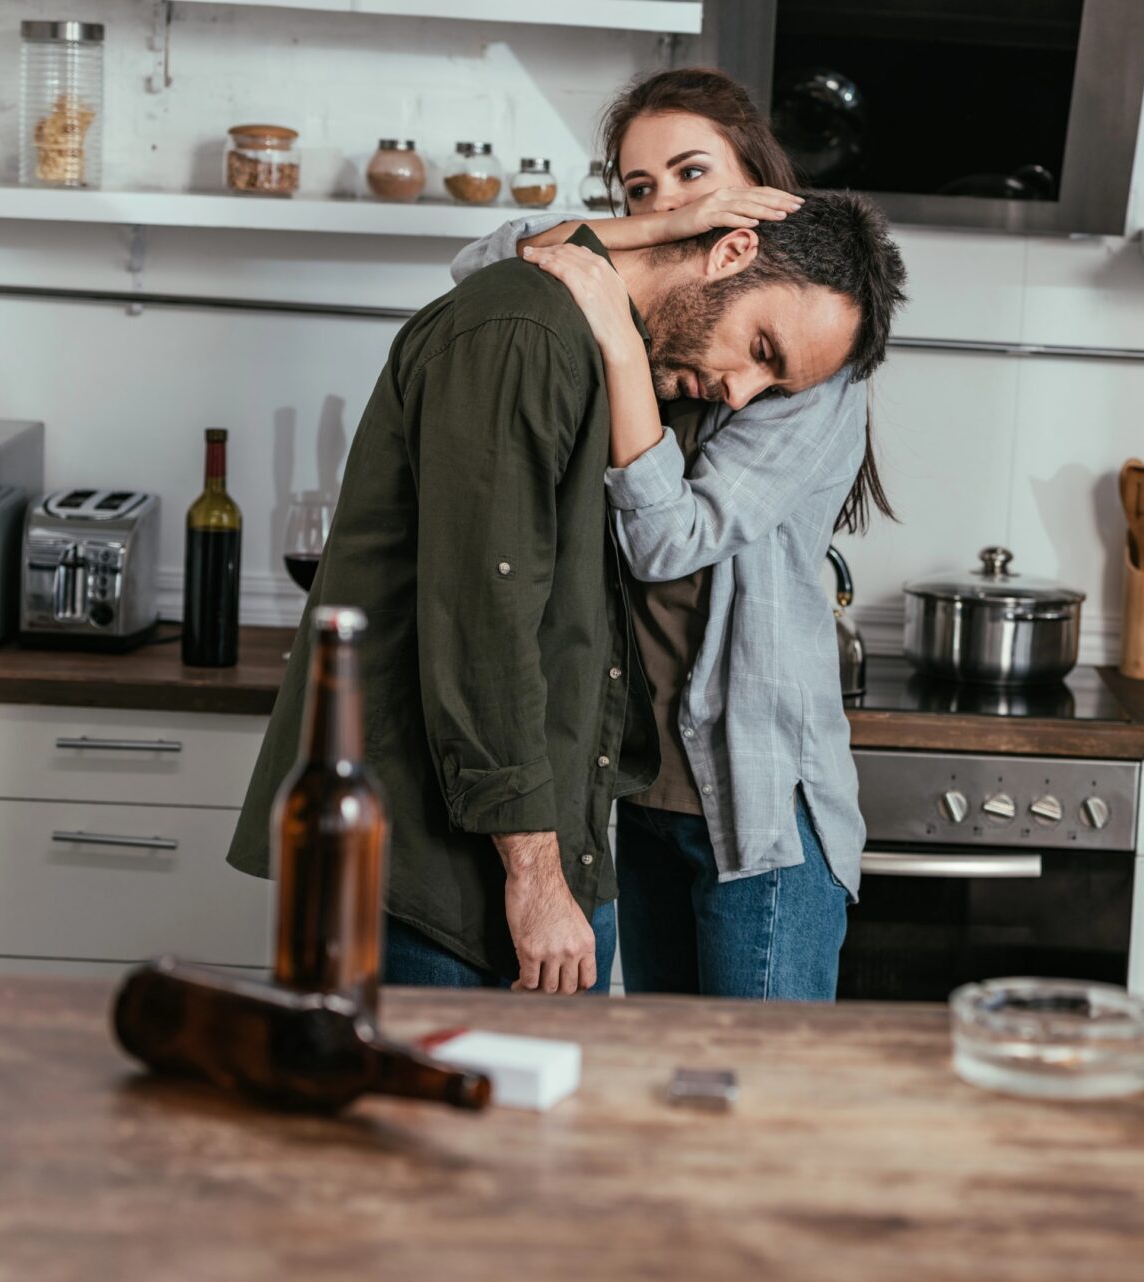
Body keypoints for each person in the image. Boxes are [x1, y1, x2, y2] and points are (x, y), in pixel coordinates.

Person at [226, 181, 906, 998]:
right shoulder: (529, 329)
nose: (740, 392)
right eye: (760, 348)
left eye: (774, 381)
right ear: (729, 247)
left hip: (566, 843)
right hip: (444, 864)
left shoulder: (620, 360)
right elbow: (487, 618)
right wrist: (538, 878)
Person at [447, 68, 906, 1001]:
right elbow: (482, 267)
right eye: (638, 189)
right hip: (638, 790)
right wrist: (654, 237)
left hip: (756, 808)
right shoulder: (678, 324)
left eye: (694, 176)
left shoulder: (808, 363)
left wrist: (617, 338)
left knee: (756, 1112)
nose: (668, 204)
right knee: (666, 1085)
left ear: (754, 193)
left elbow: (667, 542)